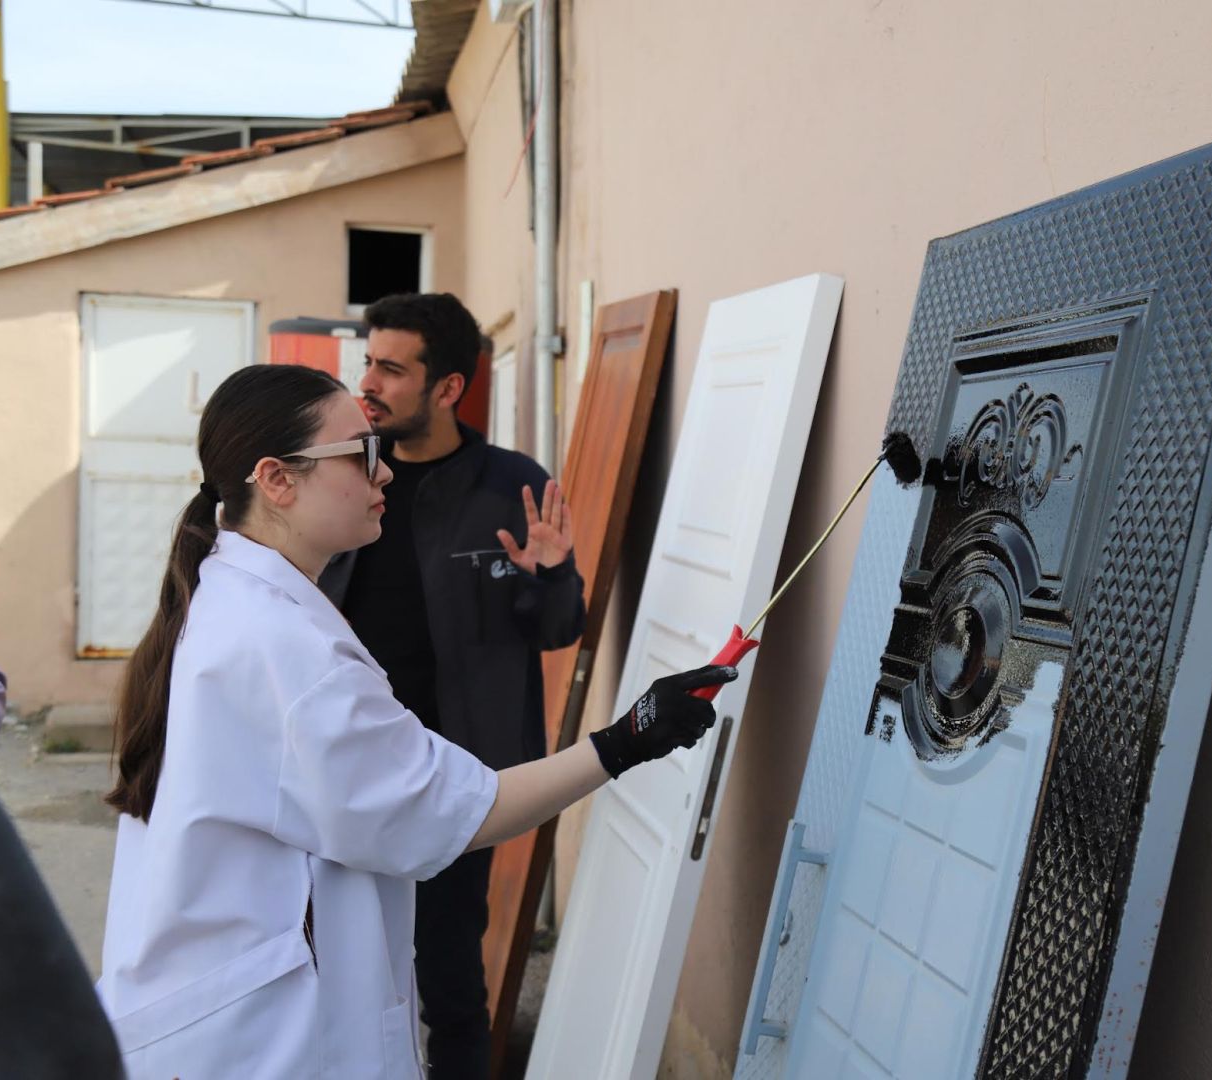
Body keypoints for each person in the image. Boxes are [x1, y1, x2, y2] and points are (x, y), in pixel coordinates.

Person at [96, 364, 735, 1079]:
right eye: (362, 454)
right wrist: (628, 739)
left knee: (453, 982)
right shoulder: (287, 649)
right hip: (260, 1037)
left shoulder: (229, 596)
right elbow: (452, 813)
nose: (385, 475)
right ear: (277, 480)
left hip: (214, 1002)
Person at [317, 292, 579, 1077]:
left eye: (391, 369)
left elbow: (561, 630)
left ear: (448, 388)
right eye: (368, 362)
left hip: (458, 777)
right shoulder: (344, 479)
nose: (370, 382)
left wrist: (552, 574)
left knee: (452, 980)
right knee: (334, 965)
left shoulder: (510, 486)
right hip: (347, 764)